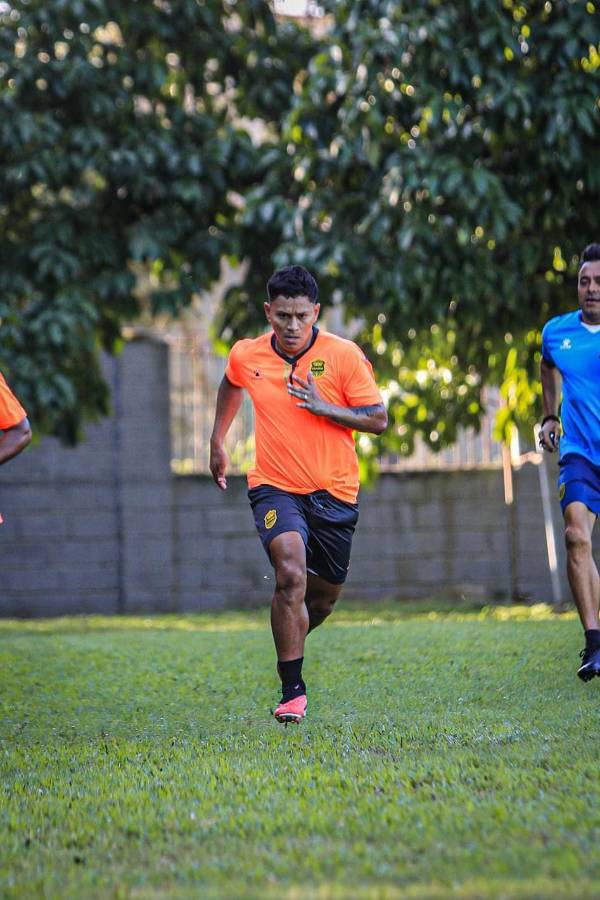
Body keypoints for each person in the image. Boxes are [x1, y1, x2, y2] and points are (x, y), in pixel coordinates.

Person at [209, 265, 387, 723]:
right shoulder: (248, 354)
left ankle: (290, 629)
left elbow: (378, 419)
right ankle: (293, 690)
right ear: (268, 312)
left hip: (335, 492)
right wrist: (218, 439)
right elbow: (232, 381)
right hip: (275, 487)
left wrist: (324, 407)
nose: (292, 326)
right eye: (283, 316)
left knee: (320, 601)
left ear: (316, 313)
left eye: (301, 316)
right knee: (289, 573)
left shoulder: (343, 356)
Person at [539, 242, 600, 681]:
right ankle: (594, 644)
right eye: (584, 281)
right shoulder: (556, 332)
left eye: (599, 282)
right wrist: (549, 416)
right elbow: (547, 366)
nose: (592, 288)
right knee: (576, 536)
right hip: (579, 452)